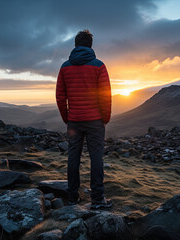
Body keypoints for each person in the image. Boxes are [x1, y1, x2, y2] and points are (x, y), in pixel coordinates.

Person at [56, 29, 112, 209]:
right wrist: (105, 118)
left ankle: (72, 197)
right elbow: (105, 96)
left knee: (73, 157)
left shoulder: (65, 67)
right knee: (96, 158)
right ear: (91, 45)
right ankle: (97, 199)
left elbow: (60, 96)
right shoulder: (99, 66)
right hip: (95, 121)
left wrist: (67, 117)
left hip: (74, 121)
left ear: (75, 45)